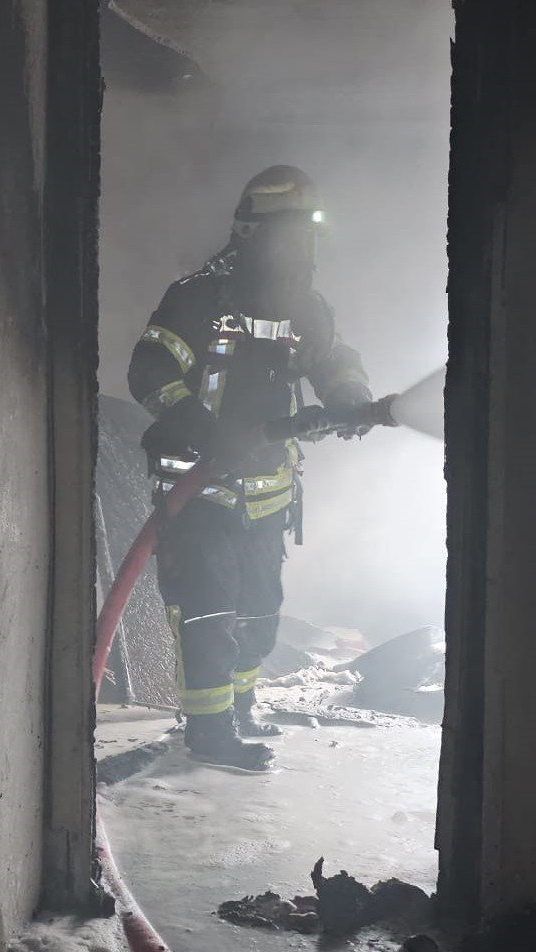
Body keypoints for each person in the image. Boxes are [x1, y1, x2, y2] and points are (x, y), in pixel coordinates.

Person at [127, 166, 393, 770]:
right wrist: (205, 427)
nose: (301, 248)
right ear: (251, 233)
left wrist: (349, 394)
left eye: (308, 234)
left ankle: (239, 706)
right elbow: (150, 373)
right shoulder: (197, 296)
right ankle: (208, 731)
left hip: (267, 488)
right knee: (209, 607)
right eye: (289, 233)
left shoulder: (305, 307)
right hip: (198, 486)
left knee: (260, 612)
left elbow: (333, 358)